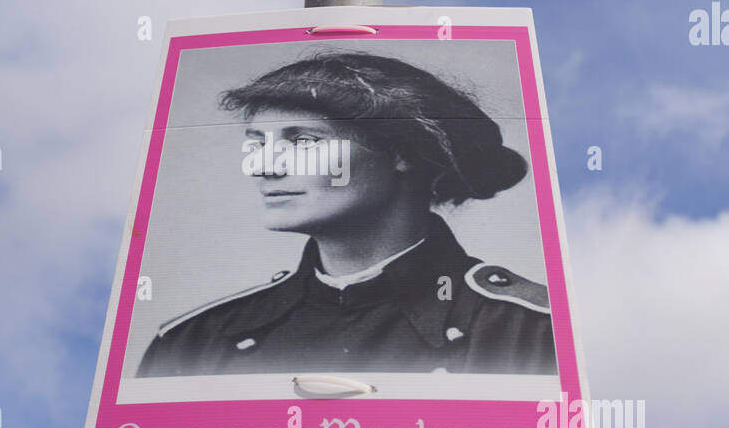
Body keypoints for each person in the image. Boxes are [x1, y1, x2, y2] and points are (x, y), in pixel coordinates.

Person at [136, 51, 557, 377]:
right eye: (257, 144)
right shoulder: (194, 342)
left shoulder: (529, 329)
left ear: (403, 153)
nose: (264, 165)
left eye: (302, 141)